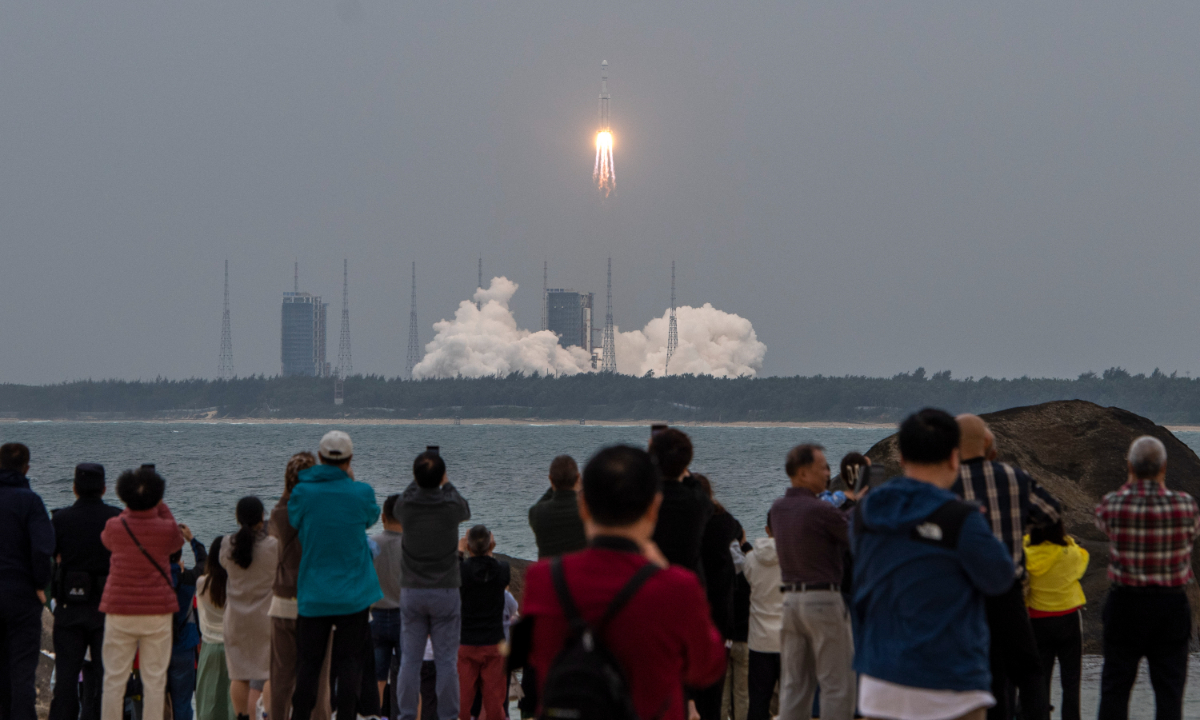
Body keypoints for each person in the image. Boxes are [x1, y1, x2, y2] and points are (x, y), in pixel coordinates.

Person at [518, 444, 727, 720]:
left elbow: (537, 659)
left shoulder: (544, 580)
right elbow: (707, 666)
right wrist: (663, 569)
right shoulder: (676, 587)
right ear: (654, 508)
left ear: (584, 507)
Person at [851, 409, 1014, 720]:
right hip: (950, 685)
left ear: (901, 458)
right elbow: (1000, 577)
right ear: (954, 458)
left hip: (879, 681)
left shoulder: (865, 512)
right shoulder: (961, 519)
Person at [953, 414, 1061, 720]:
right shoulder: (1015, 477)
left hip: (964, 594)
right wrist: (1019, 524)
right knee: (1027, 669)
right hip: (1006, 592)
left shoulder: (948, 483)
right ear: (988, 444)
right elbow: (1052, 511)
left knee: (986, 673)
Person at [1095, 435, 1199, 720]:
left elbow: (1103, 522)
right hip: (1171, 605)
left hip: (1125, 603)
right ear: (1164, 467)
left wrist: (1132, 482)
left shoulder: (1114, 503)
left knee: (1115, 689)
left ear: (1130, 467)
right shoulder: (1186, 506)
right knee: (1169, 693)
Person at [288, 431, 382, 720]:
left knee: (309, 664)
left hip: (314, 592)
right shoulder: (361, 492)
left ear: (320, 457)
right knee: (350, 663)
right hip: (353, 594)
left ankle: (300, 715)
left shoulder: (303, 492)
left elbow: (294, 519)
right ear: (350, 459)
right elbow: (371, 516)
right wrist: (350, 482)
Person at [768, 444, 855, 720]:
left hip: (791, 602)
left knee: (795, 685)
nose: (829, 473)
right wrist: (857, 501)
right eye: (823, 468)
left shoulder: (778, 509)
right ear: (803, 473)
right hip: (823, 600)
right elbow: (854, 536)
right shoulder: (820, 510)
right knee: (837, 684)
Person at [98, 466, 184, 720]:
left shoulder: (115, 526)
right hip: (157, 611)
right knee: (155, 680)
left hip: (119, 609)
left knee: (114, 678)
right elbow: (176, 538)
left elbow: (107, 540)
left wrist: (132, 506)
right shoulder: (166, 530)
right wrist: (159, 503)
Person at [393, 450, 471, 720]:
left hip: (412, 590)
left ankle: (405, 715)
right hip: (446, 590)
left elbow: (402, 500)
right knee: (447, 661)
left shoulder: (406, 508)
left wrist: (419, 479)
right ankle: (448, 716)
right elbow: (465, 508)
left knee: (410, 661)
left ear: (415, 477)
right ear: (441, 477)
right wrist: (446, 483)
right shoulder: (451, 508)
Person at [49, 463, 120, 720]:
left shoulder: (60, 519)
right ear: (103, 488)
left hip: (69, 607)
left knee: (66, 681)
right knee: (107, 681)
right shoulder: (117, 519)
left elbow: (49, 558)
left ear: (74, 488)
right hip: (108, 610)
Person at [267, 452, 331, 720]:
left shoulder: (280, 512)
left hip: (283, 600)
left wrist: (287, 490)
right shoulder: (323, 512)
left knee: (281, 677)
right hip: (316, 601)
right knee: (318, 678)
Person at [0, 443, 55, 720]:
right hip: (21, 595)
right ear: (26, 468)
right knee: (22, 670)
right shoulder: (30, 501)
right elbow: (42, 548)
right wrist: (40, 584)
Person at [220, 497, 278, 720]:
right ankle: (269, 715)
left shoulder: (227, 544)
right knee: (271, 672)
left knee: (239, 675)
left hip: (236, 619)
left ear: (237, 517)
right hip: (266, 617)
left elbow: (226, 564)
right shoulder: (272, 546)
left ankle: (243, 717)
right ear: (261, 517)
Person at [1024, 520, 1088, 720]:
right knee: (1071, 680)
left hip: (1037, 620)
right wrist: (1067, 539)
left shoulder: (1027, 555)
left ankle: (1039, 716)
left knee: (1040, 678)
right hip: (1068, 618)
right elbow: (1083, 558)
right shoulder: (1071, 553)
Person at [695, 474, 743, 720]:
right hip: (720, 618)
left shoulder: (683, 526)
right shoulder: (724, 523)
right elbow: (739, 561)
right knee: (713, 696)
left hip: (690, 616)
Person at [457, 525, 510, 720]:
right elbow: (494, 571)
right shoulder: (503, 569)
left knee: (462, 702)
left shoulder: (461, 571)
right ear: (491, 544)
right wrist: (489, 551)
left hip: (466, 641)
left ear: (469, 546)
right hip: (495, 642)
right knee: (495, 703)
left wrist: (460, 551)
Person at [649, 430, 713, 583]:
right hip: (689, 582)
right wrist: (685, 470)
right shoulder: (698, 502)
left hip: (649, 581)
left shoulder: (645, 500)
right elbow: (700, 492)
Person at [741, 517, 782, 720]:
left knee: (758, 703)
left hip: (759, 642)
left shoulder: (751, 560)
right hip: (789, 639)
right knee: (793, 702)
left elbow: (748, 576)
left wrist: (744, 545)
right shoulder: (797, 557)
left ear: (767, 529)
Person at [167, 523, 209, 720]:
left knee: (156, 701)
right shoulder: (189, 579)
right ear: (179, 556)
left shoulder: (153, 581)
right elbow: (204, 563)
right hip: (184, 647)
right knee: (183, 702)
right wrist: (192, 539)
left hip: (156, 646)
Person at [196, 536, 236, 720]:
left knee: (208, 702)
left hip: (210, 646)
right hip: (234, 646)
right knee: (233, 704)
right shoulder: (237, 585)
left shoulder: (202, 583)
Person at [371, 494, 404, 713]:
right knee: (409, 680)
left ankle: (375, 716)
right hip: (406, 617)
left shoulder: (371, 543)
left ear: (383, 517)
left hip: (376, 617)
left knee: (377, 679)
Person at [528, 455, 587, 559]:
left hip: (548, 572)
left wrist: (556, 483)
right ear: (577, 478)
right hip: (579, 571)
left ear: (550, 478)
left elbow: (540, 503)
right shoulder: (587, 513)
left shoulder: (537, 513)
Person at [722, 530, 752, 720]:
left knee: (722, 697)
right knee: (743, 694)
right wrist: (746, 546)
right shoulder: (749, 573)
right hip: (745, 639)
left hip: (722, 640)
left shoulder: (717, 573)